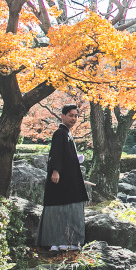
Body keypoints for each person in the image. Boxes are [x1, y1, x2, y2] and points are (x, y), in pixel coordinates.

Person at [37, 104, 88, 252]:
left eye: (76, 116)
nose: (74, 118)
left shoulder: (66, 133)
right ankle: (60, 241)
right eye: (71, 115)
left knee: (66, 207)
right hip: (61, 179)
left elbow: (64, 155)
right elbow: (56, 153)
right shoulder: (60, 133)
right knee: (64, 208)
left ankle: (64, 241)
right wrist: (55, 171)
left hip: (67, 179)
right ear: (63, 116)